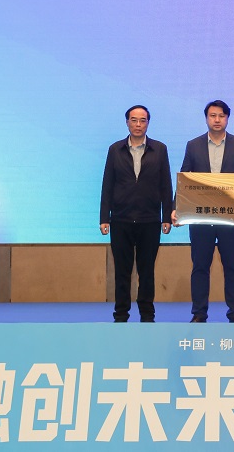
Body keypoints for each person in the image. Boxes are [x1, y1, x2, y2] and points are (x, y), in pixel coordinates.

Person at [174, 100, 234, 323]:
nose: (217, 120)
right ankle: (199, 313)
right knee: (200, 266)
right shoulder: (193, 145)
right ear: (206, 118)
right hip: (201, 218)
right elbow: (185, 179)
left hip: (231, 217)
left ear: (227, 118)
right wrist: (176, 208)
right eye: (212, 116)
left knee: (233, 266)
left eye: (221, 116)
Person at [99, 105, 173, 323]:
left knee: (146, 271)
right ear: (127, 122)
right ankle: (121, 314)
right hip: (120, 219)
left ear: (148, 123)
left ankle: (147, 314)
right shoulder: (115, 150)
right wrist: (104, 218)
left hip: (149, 220)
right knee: (122, 271)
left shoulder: (160, 149)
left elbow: (165, 185)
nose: (138, 124)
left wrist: (166, 216)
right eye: (134, 120)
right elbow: (107, 185)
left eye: (142, 120)